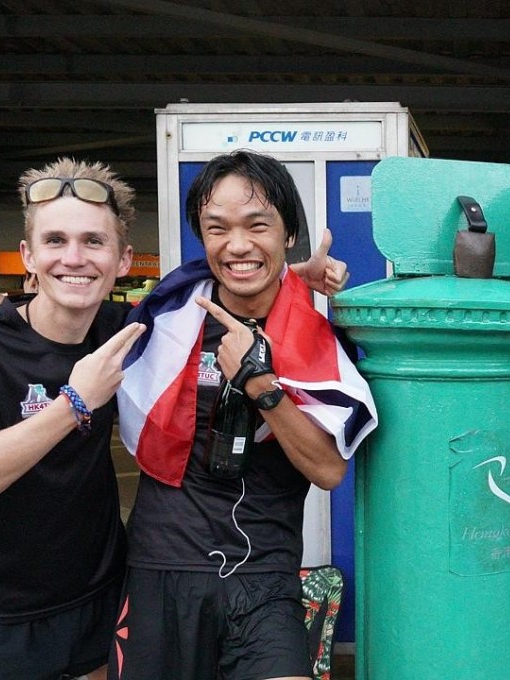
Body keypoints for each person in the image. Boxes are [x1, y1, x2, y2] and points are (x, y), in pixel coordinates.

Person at [110, 150, 377, 680]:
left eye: (258, 226)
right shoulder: (164, 316)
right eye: (217, 228)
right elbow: (61, 317)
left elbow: (329, 470)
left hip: (263, 576)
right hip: (161, 567)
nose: (237, 245)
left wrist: (260, 384)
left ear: (288, 234)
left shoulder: (314, 342)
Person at [0, 158, 146, 680]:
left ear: (123, 259)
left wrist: (285, 280)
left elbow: (204, 297)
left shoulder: (122, 330)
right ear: (29, 255)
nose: (74, 258)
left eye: (94, 241)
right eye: (55, 240)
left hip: (98, 596)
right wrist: (75, 402)